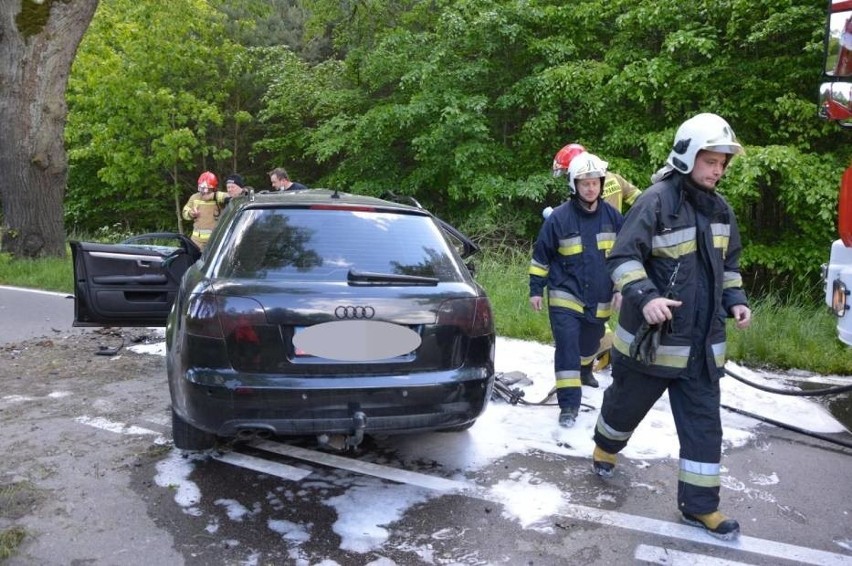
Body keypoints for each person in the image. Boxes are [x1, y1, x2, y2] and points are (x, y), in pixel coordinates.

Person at [592, 113, 752, 541]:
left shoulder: (721, 209)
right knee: (625, 408)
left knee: (704, 427)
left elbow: (729, 266)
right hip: (652, 345)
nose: (717, 170)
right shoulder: (655, 201)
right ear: (687, 156)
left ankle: (701, 507)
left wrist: (735, 301)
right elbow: (623, 258)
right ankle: (606, 445)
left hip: (701, 350)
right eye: (711, 160)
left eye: (723, 163)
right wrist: (646, 297)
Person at [529, 152, 624, 428]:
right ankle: (569, 406)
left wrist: (620, 288)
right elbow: (541, 257)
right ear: (574, 185)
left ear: (601, 183)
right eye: (585, 183)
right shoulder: (558, 219)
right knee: (568, 348)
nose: (591, 188)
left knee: (589, 342)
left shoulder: (614, 218)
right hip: (564, 294)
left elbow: (624, 256)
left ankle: (585, 366)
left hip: (600, 298)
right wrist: (536, 289)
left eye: (595, 183)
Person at [545, 143, 643, 382]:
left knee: (593, 316)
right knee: (598, 313)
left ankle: (593, 358)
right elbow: (642, 201)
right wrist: (631, 227)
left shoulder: (589, 189)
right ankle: (586, 363)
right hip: (614, 253)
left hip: (596, 255)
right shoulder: (616, 179)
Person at [182, 171, 227, 250]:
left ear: (213, 188)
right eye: (201, 188)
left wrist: (213, 196)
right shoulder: (195, 197)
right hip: (196, 241)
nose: (203, 192)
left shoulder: (218, 198)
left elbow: (232, 197)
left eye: (206, 189)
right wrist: (191, 214)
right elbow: (184, 213)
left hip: (214, 241)